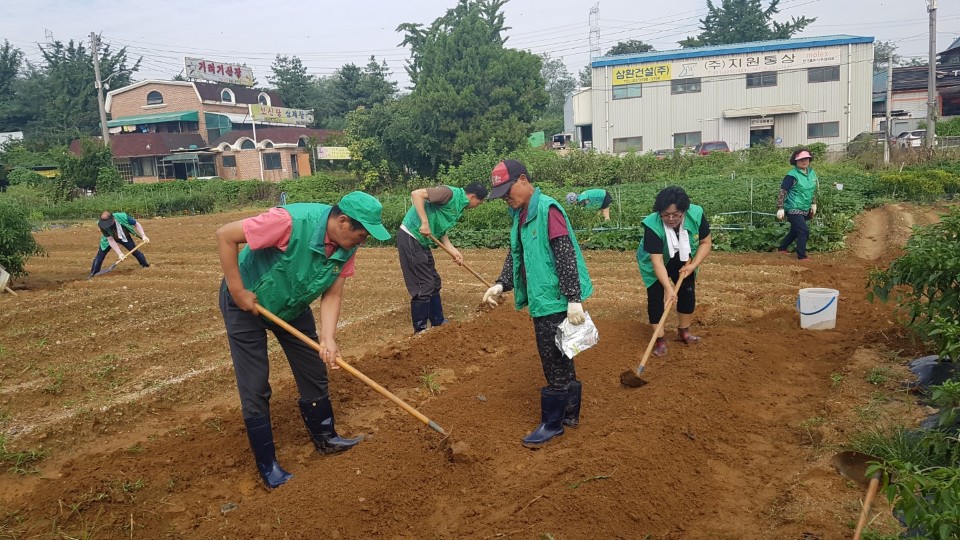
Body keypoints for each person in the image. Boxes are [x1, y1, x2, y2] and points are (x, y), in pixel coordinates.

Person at [216, 192, 391, 489]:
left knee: (313, 367)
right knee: (255, 383)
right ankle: (268, 466)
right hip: (248, 301)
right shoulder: (290, 222)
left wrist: (329, 338)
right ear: (343, 221)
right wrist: (237, 290)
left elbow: (333, 293)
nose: (362, 242)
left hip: (292, 304)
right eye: (361, 236)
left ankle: (326, 438)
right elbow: (225, 235)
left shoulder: (347, 245)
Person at [481, 160, 593, 449]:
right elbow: (517, 253)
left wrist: (573, 299)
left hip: (555, 301)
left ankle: (552, 424)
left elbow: (565, 254)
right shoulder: (521, 214)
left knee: (553, 360)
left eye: (508, 191)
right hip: (544, 298)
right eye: (502, 194)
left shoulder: (547, 210)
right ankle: (570, 415)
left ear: (522, 180)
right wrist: (501, 282)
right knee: (563, 355)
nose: (507, 198)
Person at [398, 182, 487, 333]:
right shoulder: (449, 193)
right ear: (472, 197)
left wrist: (453, 251)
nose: (478, 206)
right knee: (424, 284)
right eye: (479, 202)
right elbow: (417, 194)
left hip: (422, 241)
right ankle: (420, 330)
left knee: (434, 281)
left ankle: (438, 322)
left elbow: (441, 231)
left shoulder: (458, 206)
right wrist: (424, 222)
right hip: (411, 236)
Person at [636, 186, 712, 359]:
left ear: (684, 211)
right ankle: (660, 339)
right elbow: (657, 261)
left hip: (683, 257)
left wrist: (694, 265)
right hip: (654, 260)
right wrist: (668, 290)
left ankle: (684, 331)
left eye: (676, 214)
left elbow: (705, 242)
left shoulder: (696, 215)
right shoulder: (652, 224)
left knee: (687, 290)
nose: (670, 219)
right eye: (665, 215)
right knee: (656, 298)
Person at [776, 148, 818, 261]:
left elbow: (812, 189)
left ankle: (782, 248)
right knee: (803, 230)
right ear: (795, 161)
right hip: (793, 208)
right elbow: (783, 191)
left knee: (796, 230)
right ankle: (801, 256)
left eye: (806, 159)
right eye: (801, 159)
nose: (804, 161)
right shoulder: (791, 176)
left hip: (805, 207)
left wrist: (813, 204)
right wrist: (780, 207)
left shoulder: (812, 173)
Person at [90, 211, 150, 277]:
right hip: (108, 239)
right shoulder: (101, 225)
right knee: (100, 255)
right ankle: (93, 273)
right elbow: (110, 239)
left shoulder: (123, 217)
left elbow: (137, 224)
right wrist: (120, 253)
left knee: (135, 252)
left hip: (124, 236)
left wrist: (143, 235)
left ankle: (145, 266)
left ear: (113, 218)